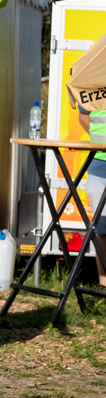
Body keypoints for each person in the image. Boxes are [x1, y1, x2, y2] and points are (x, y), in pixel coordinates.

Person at [78, 107, 106, 287]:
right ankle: (104, 288)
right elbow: (83, 116)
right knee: (102, 229)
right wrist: (101, 142)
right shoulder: (92, 89)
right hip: (99, 163)